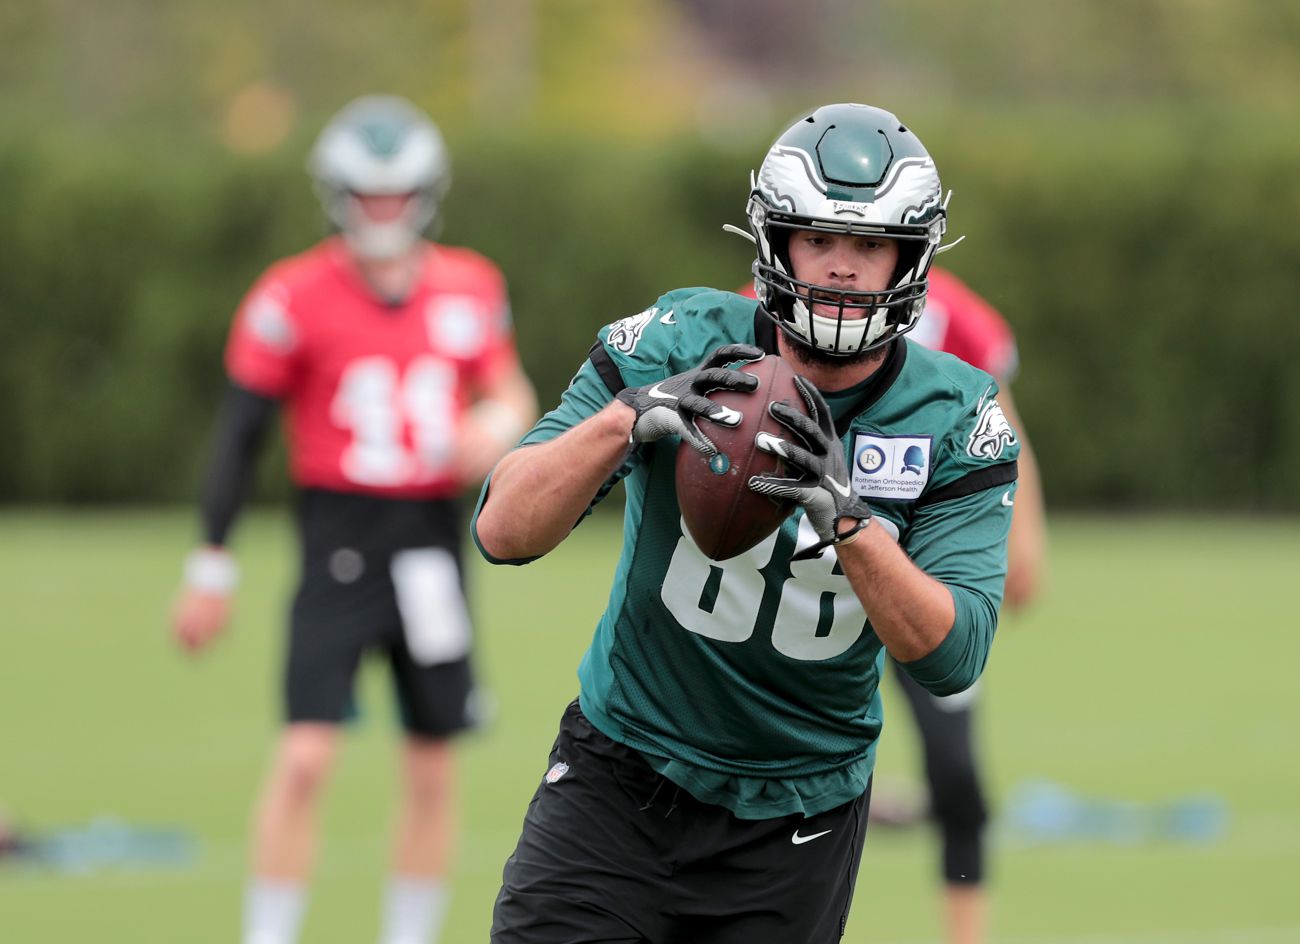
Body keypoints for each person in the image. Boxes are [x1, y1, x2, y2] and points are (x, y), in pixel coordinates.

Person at [473, 102, 1021, 942]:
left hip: (798, 813)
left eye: (868, 245)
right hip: (623, 770)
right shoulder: (683, 340)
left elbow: (954, 655)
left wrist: (848, 517)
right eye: (819, 240)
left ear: (909, 259)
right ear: (775, 243)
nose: (841, 269)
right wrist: (629, 416)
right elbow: (502, 529)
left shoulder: (955, 412)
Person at [170, 95, 537, 944]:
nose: (381, 213)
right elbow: (240, 435)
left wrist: (496, 423)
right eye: (366, 195)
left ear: (423, 195)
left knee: (434, 764)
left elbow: (509, 386)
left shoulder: (470, 285)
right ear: (337, 195)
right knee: (305, 757)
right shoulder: (292, 294)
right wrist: (210, 567)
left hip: (431, 544)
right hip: (338, 537)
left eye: (394, 194)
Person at [739, 267, 1048, 944]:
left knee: (957, 774)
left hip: (911, 572)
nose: (849, 258)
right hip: (799, 586)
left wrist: (1026, 536)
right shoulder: (765, 311)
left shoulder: (954, 312)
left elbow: (1000, 421)